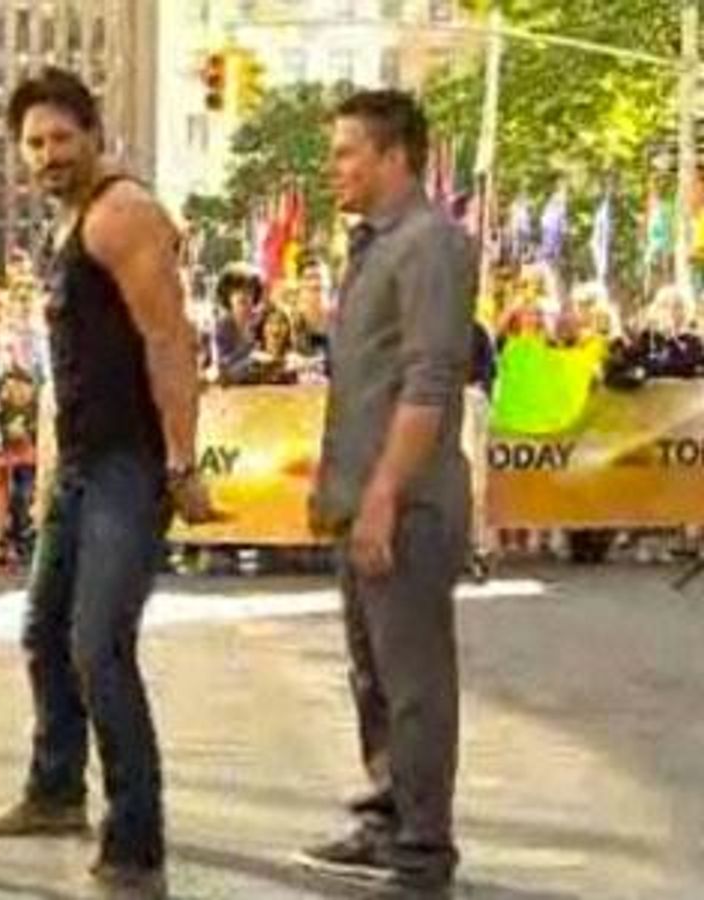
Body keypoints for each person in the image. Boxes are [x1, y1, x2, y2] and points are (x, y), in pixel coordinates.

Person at [0, 67, 217, 898]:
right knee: (45, 633)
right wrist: (51, 469)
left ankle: (136, 843)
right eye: (34, 143)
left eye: (61, 138)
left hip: (127, 466)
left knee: (99, 647)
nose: (48, 155)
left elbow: (170, 341)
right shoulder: (69, 223)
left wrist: (181, 462)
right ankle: (55, 791)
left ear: (94, 135)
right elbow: (68, 361)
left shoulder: (122, 214)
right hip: (79, 465)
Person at [300, 90, 475, 892]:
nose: (333, 166)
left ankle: (423, 847)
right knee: (372, 677)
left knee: (413, 684)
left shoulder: (430, 244)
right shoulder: (372, 246)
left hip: (408, 506)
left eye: (347, 152)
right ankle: (388, 816)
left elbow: (429, 381)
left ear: (394, 155)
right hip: (362, 499)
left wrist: (383, 495)